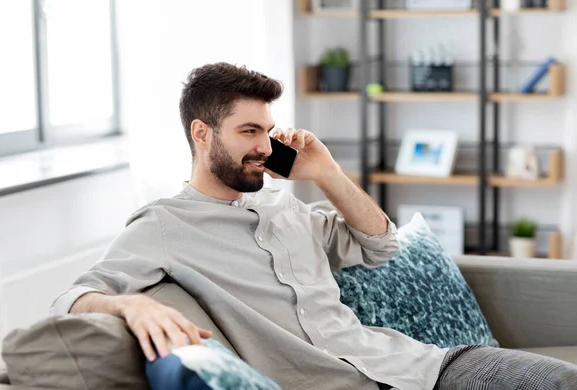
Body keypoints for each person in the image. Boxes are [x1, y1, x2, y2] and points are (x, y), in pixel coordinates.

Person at [51, 62, 577, 390]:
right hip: (332, 383)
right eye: (249, 130)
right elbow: (72, 296)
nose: (264, 146)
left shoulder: (290, 207)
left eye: (268, 130)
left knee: (558, 381)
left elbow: (381, 245)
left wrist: (325, 173)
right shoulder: (165, 225)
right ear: (201, 133)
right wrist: (131, 302)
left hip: (418, 367)